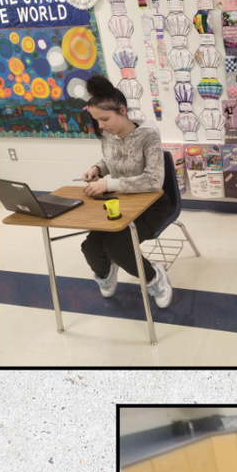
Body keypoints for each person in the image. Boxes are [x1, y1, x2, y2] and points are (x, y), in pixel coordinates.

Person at [78, 75, 173, 309]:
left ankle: (154, 278)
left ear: (122, 110)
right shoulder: (108, 135)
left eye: (104, 119)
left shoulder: (148, 136)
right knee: (90, 247)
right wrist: (98, 168)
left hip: (152, 205)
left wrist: (109, 185)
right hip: (121, 202)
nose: (101, 126)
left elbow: (153, 181)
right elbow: (111, 160)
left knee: (116, 246)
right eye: (97, 120)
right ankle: (106, 272)